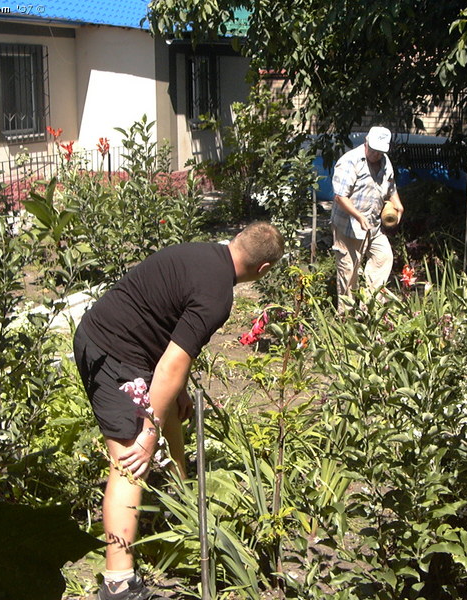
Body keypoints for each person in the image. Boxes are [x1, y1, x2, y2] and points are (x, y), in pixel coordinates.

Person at [73, 222, 284, 600]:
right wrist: (149, 433)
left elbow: (164, 322)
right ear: (263, 270)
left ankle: (181, 494)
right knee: (129, 462)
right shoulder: (218, 295)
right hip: (116, 355)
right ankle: (118, 584)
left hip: (105, 333)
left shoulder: (199, 253)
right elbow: (170, 364)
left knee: (169, 404)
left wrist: (177, 393)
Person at [330, 126, 404, 311]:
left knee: (384, 257)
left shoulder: (385, 162)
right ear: (366, 142)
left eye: (380, 151)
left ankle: (369, 308)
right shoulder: (350, 162)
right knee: (349, 273)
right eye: (373, 149)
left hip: (373, 225)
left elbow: (391, 187)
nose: (376, 154)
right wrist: (358, 216)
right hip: (349, 226)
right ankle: (345, 320)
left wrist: (398, 203)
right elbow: (340, 196)